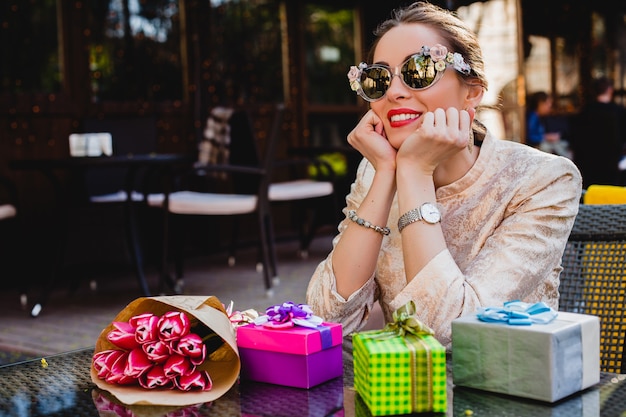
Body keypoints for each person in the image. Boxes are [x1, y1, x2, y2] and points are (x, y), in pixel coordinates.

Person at [305, 1, 582, 350]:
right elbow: (325, 320)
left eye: (419, 70)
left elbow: (451, 336)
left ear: (473, 93)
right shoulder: (377, 169)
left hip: (509, 393)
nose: (394, 92)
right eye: (378, 79)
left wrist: (416, 172)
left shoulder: (544, 179)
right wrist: (388, 172)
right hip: (411, 391)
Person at [571, 76, 626, 188]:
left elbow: (575, 139)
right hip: (612, 165)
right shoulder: (618, 112)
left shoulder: (584, 112)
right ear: (610, 90)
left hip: (588, 166)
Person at [525, 91, 572, 158]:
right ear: (540, 104)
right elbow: (530, 137)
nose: (550, 106)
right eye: (547, 103)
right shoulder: (533, 117)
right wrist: (547, 137)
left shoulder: (539, 117)